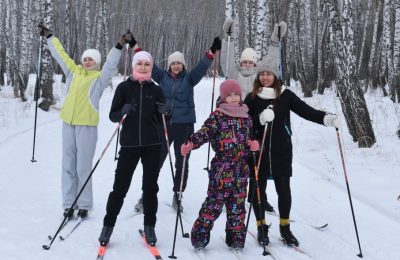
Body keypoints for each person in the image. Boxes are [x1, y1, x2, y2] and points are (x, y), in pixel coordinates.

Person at [243, 31, 340, 247]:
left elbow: (306, 111)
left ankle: (285, 228)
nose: (265, 77)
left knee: (283, 191)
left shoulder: (285, 95)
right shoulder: (251, 98)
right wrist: (258, 120)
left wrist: (327, 119)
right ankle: (261, 227)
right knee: (258, 191)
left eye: (269, 74)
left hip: (281, 151)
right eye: (262, 74)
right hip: (257, 151)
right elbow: (244, 123)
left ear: (276, 75)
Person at [38, 24, 128, 219]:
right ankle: (69, 204)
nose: (87, 62)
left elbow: (111, 65)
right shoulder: (73, 72)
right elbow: (60, 55)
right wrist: (50, 37)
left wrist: (119, 46)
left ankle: (85, 204)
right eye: (85, 59)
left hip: (87, 126)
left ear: (96, 62)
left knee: (83, 166)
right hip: (68, 124)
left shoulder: (100, 78)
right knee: (68, 164)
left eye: (91, 59)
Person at [134, 37, 222, 213]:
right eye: (173, 63)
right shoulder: (161, 77)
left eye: (178, 63)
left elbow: (202, 66)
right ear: (169, 65)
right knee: (155, 161)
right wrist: (136, 47)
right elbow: (148, 63)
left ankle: (178, 194)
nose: (176, 66)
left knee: (182, 162)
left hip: (184, 125)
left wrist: (211, 52)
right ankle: (146, 195)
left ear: (182, 65)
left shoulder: (190, 79)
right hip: (164, 124)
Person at [180, 79, 259, 250]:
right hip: (222, 169)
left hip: (241, 169)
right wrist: (192, 143)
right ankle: (200, 235)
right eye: (229, 95)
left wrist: (254, 144)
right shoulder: (217, 116)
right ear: (223, 97)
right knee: (214, 204)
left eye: (236, 94)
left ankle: (236, 237)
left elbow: (251, 138)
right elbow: (204, 132)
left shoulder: (246, 116)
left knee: (237, 207)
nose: (233, 98)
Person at [98, 51, 167, 246]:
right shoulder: (124, 88)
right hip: (129, 145)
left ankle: (149, 227)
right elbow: (113, 116)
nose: (143, 67)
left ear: (151, 67)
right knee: (120, 187)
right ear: (134, 66)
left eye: (147, 64)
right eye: (140, 64)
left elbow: (164, 120)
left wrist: (166, 110)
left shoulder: (156, 89)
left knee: (150, 188)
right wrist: (122, 111)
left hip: (153, 145)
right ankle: (107, 226)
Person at [220, 18, 287, 213]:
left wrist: (275, 41)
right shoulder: (233, 73)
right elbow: (227, 57)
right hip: (234, 125)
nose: (248, 64)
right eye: (245, 61)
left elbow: (271, 62)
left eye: (251, 61)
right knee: (234, 160)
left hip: (256, 123)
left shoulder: (260, 75)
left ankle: (257, 196)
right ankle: (229, 194)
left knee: (258, 161)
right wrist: (228, 37)